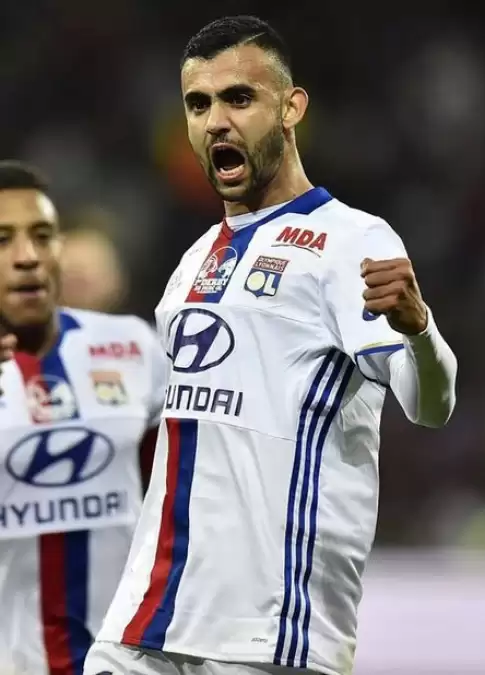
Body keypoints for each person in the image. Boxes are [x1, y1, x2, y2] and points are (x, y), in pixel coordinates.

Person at [86, 15, 458, 675]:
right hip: (148, 616)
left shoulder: (352, 241)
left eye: (239, 98)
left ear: (291, 108)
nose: (216, 122)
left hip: (269, 630)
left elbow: (430, 405)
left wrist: (419, 329)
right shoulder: (191, 262)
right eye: (198, 104)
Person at [0, 160, 167, 675]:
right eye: (3, 240)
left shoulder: (133, 347)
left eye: (42, 235)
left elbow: (190, 491)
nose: (27, 256)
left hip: (126, 662)